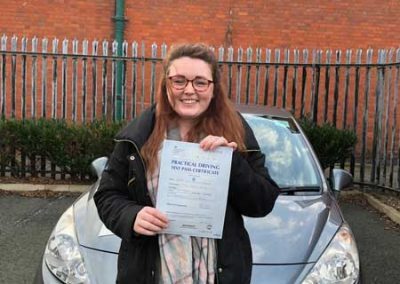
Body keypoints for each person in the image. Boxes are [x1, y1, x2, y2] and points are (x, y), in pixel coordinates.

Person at [94, 43, 279, 284]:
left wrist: (232, 164)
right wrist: (131, 216)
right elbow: (107, 194)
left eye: (200, 82)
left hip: (217, 275)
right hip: (150, 274)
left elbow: (263, 202)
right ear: (166, 84)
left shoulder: (237, 132)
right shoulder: (139, 136)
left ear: (213, 89)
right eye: (179, 80)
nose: (189, 90)